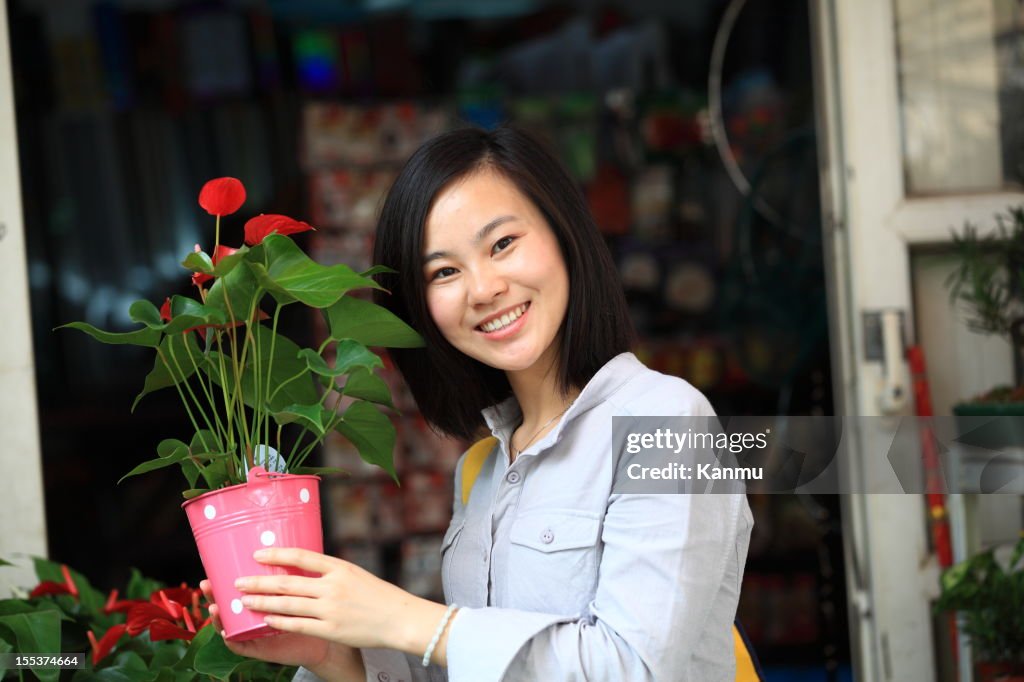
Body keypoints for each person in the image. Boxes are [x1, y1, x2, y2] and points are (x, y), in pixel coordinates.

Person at [200, 126, 754, 681]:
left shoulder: (669, 423)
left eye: (502, 244)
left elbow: (633, 668)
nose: (483, 288)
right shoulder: (481, 471)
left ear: (564, 233)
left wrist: (405, 618)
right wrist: (330, 652)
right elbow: (473, 667)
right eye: (444, 272)